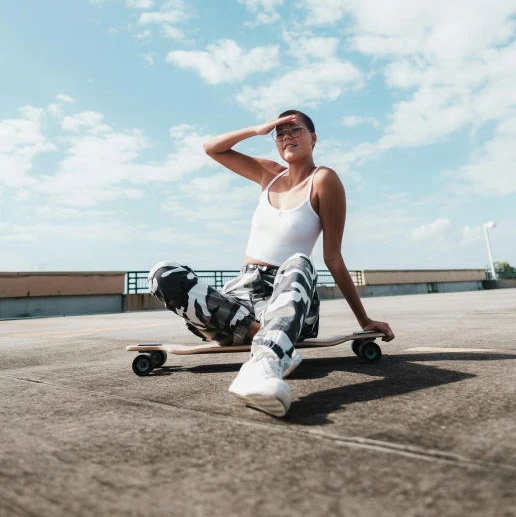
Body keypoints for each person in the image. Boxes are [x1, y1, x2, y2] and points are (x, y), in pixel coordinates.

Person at [147, 110, 394, 418]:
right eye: (281, 133)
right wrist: (256, 129)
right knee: (162, 273)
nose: (287, 136)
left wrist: (364, 320)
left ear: (313, 138)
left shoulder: (324, 180)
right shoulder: (268, 173)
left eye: (296, 130)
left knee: (300, 260)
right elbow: (212, 148)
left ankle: (264, 366)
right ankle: (264, 338)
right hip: (238, 302)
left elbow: (333, 257)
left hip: (289, 296)